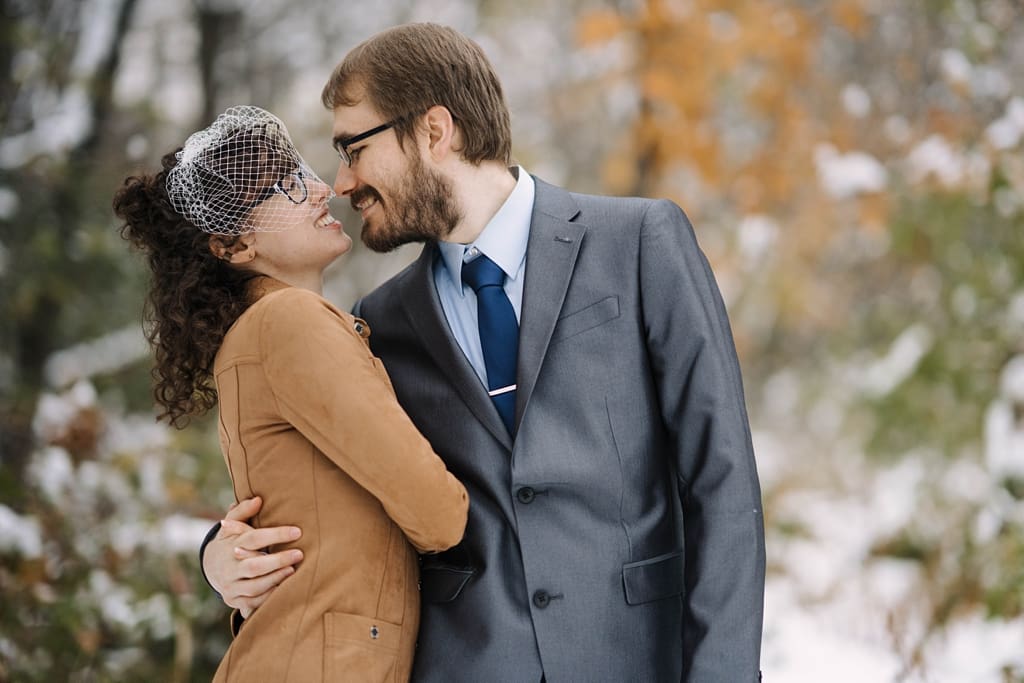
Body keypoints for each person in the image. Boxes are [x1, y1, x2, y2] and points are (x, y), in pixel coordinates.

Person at [203, 24, 766, 682]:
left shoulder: (641, 243)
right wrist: (219, 552)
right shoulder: (372, 324)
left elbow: (722, 482)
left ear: (436, 131)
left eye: (353, 148)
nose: (342, 182)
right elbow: (319, 501)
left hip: (635, 658)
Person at [113, 105, 468, 682]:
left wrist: (217, 554)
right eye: (284, 185)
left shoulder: (262, 331)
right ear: (232, 247)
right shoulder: (288, 322)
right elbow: (438, 514)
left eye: (302, 171)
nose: (321, 189)